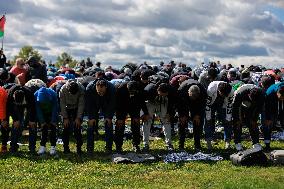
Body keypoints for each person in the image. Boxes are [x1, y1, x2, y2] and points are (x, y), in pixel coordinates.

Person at [114, 81, 149, 153]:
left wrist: (146, 113)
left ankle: (136, 145)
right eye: (130, 91)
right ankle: (118, 146)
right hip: (122, 106)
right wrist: (120, 117)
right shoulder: (120, 89)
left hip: (135, 106)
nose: (131, 93)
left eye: (133, 92)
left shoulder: (140, 89)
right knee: (120, 125)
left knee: (136, 124)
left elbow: (142, 102)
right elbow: (117, 104)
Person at [85, 78, 116, 154]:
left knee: (108, 124)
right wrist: (91, 117)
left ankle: (108, 148)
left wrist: (108, 117)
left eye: (102, 91)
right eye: (99, 91)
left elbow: (112, 104)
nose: (100, 93)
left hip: (106, 103)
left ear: (106, 87)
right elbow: (89, 105)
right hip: (94, 103)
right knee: (91, 125)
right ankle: (89, 148)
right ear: (96, 87)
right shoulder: (89, 88)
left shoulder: (112, 88)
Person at [142, 82, 175, 152]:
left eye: (165, 94)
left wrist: (169, 113)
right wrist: (145, 113)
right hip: (150, 101)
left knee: (166, 120)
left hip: (164, 102)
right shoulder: (148, 90)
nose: (163, 95)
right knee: (147, 121)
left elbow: (172, 101)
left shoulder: (171, 90)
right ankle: (146, 144)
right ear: (158, 91)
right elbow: (142, 102)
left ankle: (169, 144)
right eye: (162, 94)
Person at [232, 84, 265, 151]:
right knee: (237, 123)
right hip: (240, 105)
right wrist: (238, 118)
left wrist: (254, 119)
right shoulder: (240, 93)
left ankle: (255, 143)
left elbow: (258, 108)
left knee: (252, 123)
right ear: (249, 95)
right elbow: (235, 107)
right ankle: (237, 142)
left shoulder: (261, 95)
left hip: (253, 107)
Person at [177, 79, 207, 151]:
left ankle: (197, 145)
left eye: (195, 97)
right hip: (184, 103)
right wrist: (182, 115)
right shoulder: (181, 91)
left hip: (197, 104)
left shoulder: (203, 92)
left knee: (197, 123)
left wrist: (197, 115)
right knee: (182, 123)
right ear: (188, 92)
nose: (193, 98)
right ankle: (181, 145)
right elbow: (179, 105)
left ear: (198, 94)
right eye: (192, 96)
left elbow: (202, 105)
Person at [6, 85, 36, 153]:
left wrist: (31, 120)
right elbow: (9, 108)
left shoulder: (29, 94)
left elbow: (33, 108)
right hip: (16, 107)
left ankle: (32, 148)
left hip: (28, 104)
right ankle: (13, 147)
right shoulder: (10, 93)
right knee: (16, 124)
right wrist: (15, 119)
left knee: (32, 125)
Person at [205, 81, 234, 150]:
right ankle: (208, 140)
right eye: (223, 94)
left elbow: (229, 106)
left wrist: (228, 118)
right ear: (219, 90)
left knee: (227, 122)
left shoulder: (231, 91)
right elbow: (207, 105)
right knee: (208, 121)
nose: (224, 96)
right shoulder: (211, 89)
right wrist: (208, 118)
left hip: (223, 105)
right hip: (211, 103)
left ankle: (228, 141)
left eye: (225, 95)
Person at [59, 80, 85, 154]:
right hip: (67, 108)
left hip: (77, 108)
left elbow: (81, 104)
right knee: (65, 128)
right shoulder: (62, 89)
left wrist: (78, 118)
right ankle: (65, 148)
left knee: (77, 128)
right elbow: (62, 104)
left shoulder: (81, 89)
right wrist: (65, 118)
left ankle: (79, 148)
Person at [34, 87, 58, 155]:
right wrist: (42, 121)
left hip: (51, 112)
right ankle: (42, 146)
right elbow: (38, 109)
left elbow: (55, 108)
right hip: (42, 113)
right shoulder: (35, 95)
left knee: (53, 129)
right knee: (43, 129)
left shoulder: (53, 94)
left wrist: (53, 120)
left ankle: (53, 146)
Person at [263, 82, 284, 150]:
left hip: (276, 100)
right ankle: (267, 144)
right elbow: (266, 107)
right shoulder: (269, 94)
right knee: (268, 125)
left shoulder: (281, 91)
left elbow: (281, 105)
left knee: (278, 117)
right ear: (278, 93)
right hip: (268, 105)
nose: (282, 99)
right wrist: (268, 118)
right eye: (281, 98)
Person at [0, 86, 8, 153]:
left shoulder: (1, 92)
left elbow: (2, 106)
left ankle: (4, 145)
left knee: (4, 127)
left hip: (4, 110)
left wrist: (3, 119)